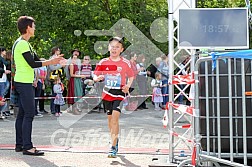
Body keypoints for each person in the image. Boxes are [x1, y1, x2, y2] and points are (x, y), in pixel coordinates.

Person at [13, 16, 65, 156]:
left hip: (24, 82)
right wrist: (51, 62)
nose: (35, 28)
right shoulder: (22, 44)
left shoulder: (25, 44)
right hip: (23, 83)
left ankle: (20, 144)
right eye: (33, 26)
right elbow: (33, 64)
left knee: (22, 114)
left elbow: (38, 60)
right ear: (28, 28)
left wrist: (55, 61)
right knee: (29, 114)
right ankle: (28, 147)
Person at [93, 37, 134, 158]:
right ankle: (115, 139)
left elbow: (131, 76)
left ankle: (113, 147)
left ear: (121, 49)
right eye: (112, 46)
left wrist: (127, 86)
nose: (114, 49)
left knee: (115, 119)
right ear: (108, 47)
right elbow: (95, 75)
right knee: (110, 121)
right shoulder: (103, 62)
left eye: (117, 47)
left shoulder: (125, 63)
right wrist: (97, 78)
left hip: (120, 93)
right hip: (107, 94)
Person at [66, 49, 85, 115]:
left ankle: (76, 108)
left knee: (78, 93)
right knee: (74, 93)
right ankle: (74, 109)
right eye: (74, 58)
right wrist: (80, 76)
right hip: (74, 80)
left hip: (77, 80)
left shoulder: (77, 64)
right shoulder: (71, 64)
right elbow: (72, 75)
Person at [48, 47, 65, 115]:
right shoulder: (52, 58)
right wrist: (61, 65)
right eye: (58, 50)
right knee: (55, 94)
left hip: (59, 78)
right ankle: (53, 110)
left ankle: (58, 110)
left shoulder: (59, 58)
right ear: (55, 51)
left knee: (59, 94)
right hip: (54, 78)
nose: (59, 51)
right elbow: (52, 67)